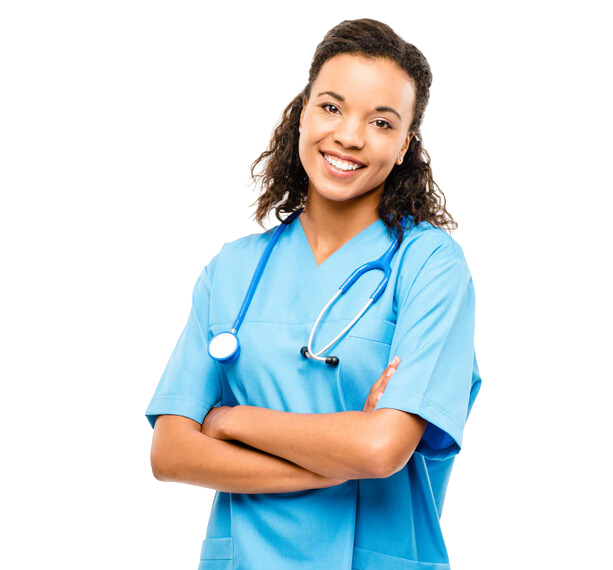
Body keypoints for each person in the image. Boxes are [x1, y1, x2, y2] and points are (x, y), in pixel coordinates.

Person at [146, 18, 481, 569]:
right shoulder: (233, 269)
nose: (350, 136)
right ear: (301, 113)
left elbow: (382, 449)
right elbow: (170, 452)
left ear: (404, 147)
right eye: (331, 107)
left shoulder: (429, 266)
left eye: (381, 121)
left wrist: (231, 421)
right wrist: (333, 462)